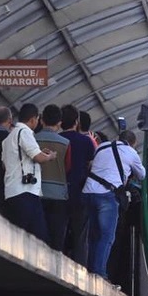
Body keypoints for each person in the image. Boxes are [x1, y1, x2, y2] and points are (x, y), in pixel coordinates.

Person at [83, 129, 145, 278]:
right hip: (107, 195)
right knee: (106, 236)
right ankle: (98, 272)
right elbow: (141, 175)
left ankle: (89, 268)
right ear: (133, 143)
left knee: (92, 235)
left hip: (88, 192)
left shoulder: (101, 147)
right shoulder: (131, 152)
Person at [3, 103, 56, 242]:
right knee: (40, 238)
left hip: (11, 192)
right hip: (25, 192)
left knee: (16, 236)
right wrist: (50, 156)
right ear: (33, 119)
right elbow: (38, 158)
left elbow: (5, 164)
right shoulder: (25, 132)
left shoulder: (8, 138)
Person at [61, 104, 97, 263]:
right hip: (80, 190)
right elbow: (92, 163)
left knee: (59, 230)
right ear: (77, 122)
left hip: (59, 192)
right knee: (81, 234)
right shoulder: (86, 141)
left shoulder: (58, 139)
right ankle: (80, 267)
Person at [35, 104, 71, 252]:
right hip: (59, 195)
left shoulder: (33, 139)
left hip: (37, 192)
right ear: (59, 123)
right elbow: (68, 167)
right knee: (56, 238)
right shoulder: (65, 143)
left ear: (41, 120)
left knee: (38, 236)